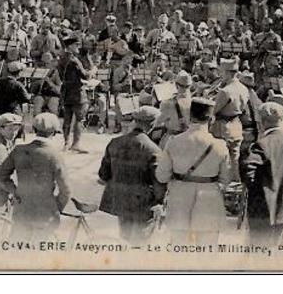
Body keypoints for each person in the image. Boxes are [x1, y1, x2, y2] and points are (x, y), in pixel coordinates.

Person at [155, 98, 231, 245]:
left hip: (179, 198)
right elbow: (226, 180)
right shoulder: (220, 145)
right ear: (211, 119)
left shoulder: (174, 142)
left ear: (190, 116)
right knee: (206, 252)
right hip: (209, 200)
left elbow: (162, 176)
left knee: (180, 250)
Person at [0, 113, 71, 240]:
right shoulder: (55, 155)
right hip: (45, 214)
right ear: (53, 133)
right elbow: (66, 191)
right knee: (40, 254)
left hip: (22, 210)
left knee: (17, 250)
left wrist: (15, 191)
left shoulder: (18, 150)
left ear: (34, 130)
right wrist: (56, 206)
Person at [98, 106, 166, 244]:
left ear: (135, 121)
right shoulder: (153, 150)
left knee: (124, 238)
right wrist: (160, 203)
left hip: (119, 199)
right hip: (143, 203)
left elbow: (103, 175)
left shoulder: (114, 142)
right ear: (152, 125)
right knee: (141, 242)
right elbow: (158, 182)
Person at [240, 102, 283, 245]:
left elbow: (248, 174)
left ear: (262, 121)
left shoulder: (262, 144)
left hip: (264, 209)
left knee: (259, 252)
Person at [211, 58, 250, 181]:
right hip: (236, 126)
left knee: (220, 160)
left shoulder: (225, 91)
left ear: (228, 73)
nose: (220, 75)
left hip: (223, 127)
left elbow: (214, 110)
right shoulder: (243, 88)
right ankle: (236, 187)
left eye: (222, 72)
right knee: (234, 160)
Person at [58, 37, 90, 153]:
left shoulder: (61, 58)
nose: (78, 47)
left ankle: (66, 143)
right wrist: (93, 70)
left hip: (66, 91)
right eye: (76, 45)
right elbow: (85, 75)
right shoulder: (74, 60)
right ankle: (76, 144)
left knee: (67, 118)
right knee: (79, 119)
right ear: (70, 46)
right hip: (77, 92)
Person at [151, 70, 192, 149]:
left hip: (173, 139)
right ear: (190, 86)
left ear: (176, 85)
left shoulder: (168, 103)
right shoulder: (194, 102)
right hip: (188, 140)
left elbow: (157, 123)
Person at [0, 61, 31, 133]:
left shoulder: (0, 82)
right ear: (19, 72)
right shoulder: (18, 85)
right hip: (11, 114)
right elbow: (26, 99)